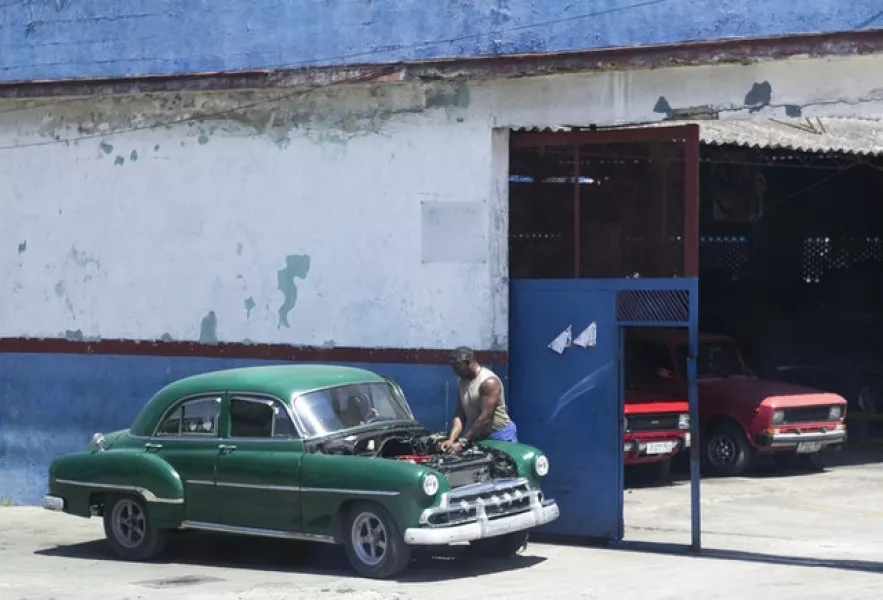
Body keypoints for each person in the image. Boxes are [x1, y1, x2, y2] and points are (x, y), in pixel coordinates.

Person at [440, 346, 518, 452]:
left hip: (499, 435)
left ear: (467, 363)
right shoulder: (461, 381)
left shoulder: (489, 382)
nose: (455, 372)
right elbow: (460, 412)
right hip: (478, 434)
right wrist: (451, 439)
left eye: (457, 368)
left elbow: (485, 417)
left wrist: (463, 442)